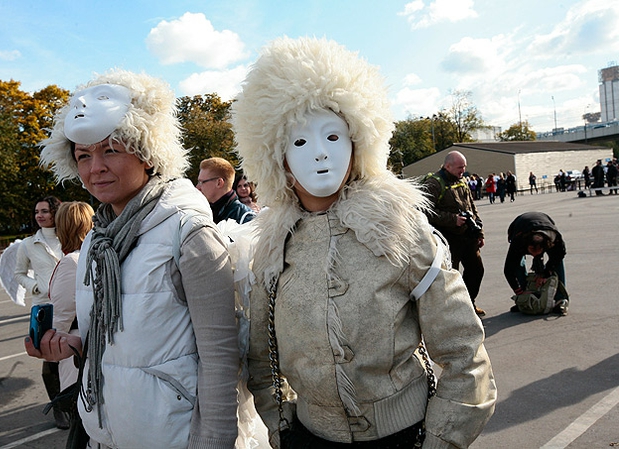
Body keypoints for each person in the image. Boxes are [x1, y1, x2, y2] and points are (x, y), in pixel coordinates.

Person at [232, 36, 496, 449]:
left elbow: (465, 354)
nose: (319, 154)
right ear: (276, 157)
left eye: (333, 137)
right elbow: (262, 363)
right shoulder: (270, 248)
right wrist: (283, 430)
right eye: (299, 141)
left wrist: (442, 439)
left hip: (406, 436)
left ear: (358, 143)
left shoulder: (400, 230)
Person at [32, 69, 240, 448]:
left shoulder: (189, 232)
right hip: (106, 432)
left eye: (111, 149)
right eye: (83, 155)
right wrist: (76, 341)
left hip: (174, 437)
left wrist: (213, 442)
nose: (95, 168)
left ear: (147, 153)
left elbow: (222, 355)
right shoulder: (98, 237)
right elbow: (112, 331)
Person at [14, 195, 65, 428]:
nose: (39, 216)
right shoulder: (28, 244)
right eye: (37, 212)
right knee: (49, 359)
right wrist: (34, 285)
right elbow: (19, 274)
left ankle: (76, 402)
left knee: (72, 353)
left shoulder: (68, 236)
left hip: (69, 303)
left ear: (55, 213)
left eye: (44, 211)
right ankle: (59, 408)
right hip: (44, 307)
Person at [422, 151, 487, 316]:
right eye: (459, 167)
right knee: (450, 278)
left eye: (464, 167)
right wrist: (452, 220)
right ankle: (452, 312)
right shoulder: (434, 184)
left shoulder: (462, 180)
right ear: (447, 166)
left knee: (476, 270)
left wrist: (480, 232)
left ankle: (468, 304)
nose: (463, 171)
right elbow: (424, 210)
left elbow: (472, 206)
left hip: (467, 237)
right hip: (448, 239)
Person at [49, 201, 95, 414]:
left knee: (81, 413)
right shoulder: (95, 255)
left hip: (75, 347)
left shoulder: (71, 262)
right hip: (93, 344)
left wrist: (49, 346)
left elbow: (62, 315)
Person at [504, 212, 569, 315]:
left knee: (557, 262)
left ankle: (561, 300)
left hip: (545, 222)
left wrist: (546, 273)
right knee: (517, 265)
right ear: (527, 246)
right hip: (519, 225)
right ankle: (526, 298)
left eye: (537, 252)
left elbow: (559, 255)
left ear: (545, 247)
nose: (534, 255)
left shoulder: (554, 239)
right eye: (531, 251)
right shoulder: (519, 241)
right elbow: (508, 270)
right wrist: (519, 292)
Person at [197, 157, 255, 224]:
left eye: (202, 182)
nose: (198, 187)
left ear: (219, 183)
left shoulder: (246, 218)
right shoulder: (202, 213)